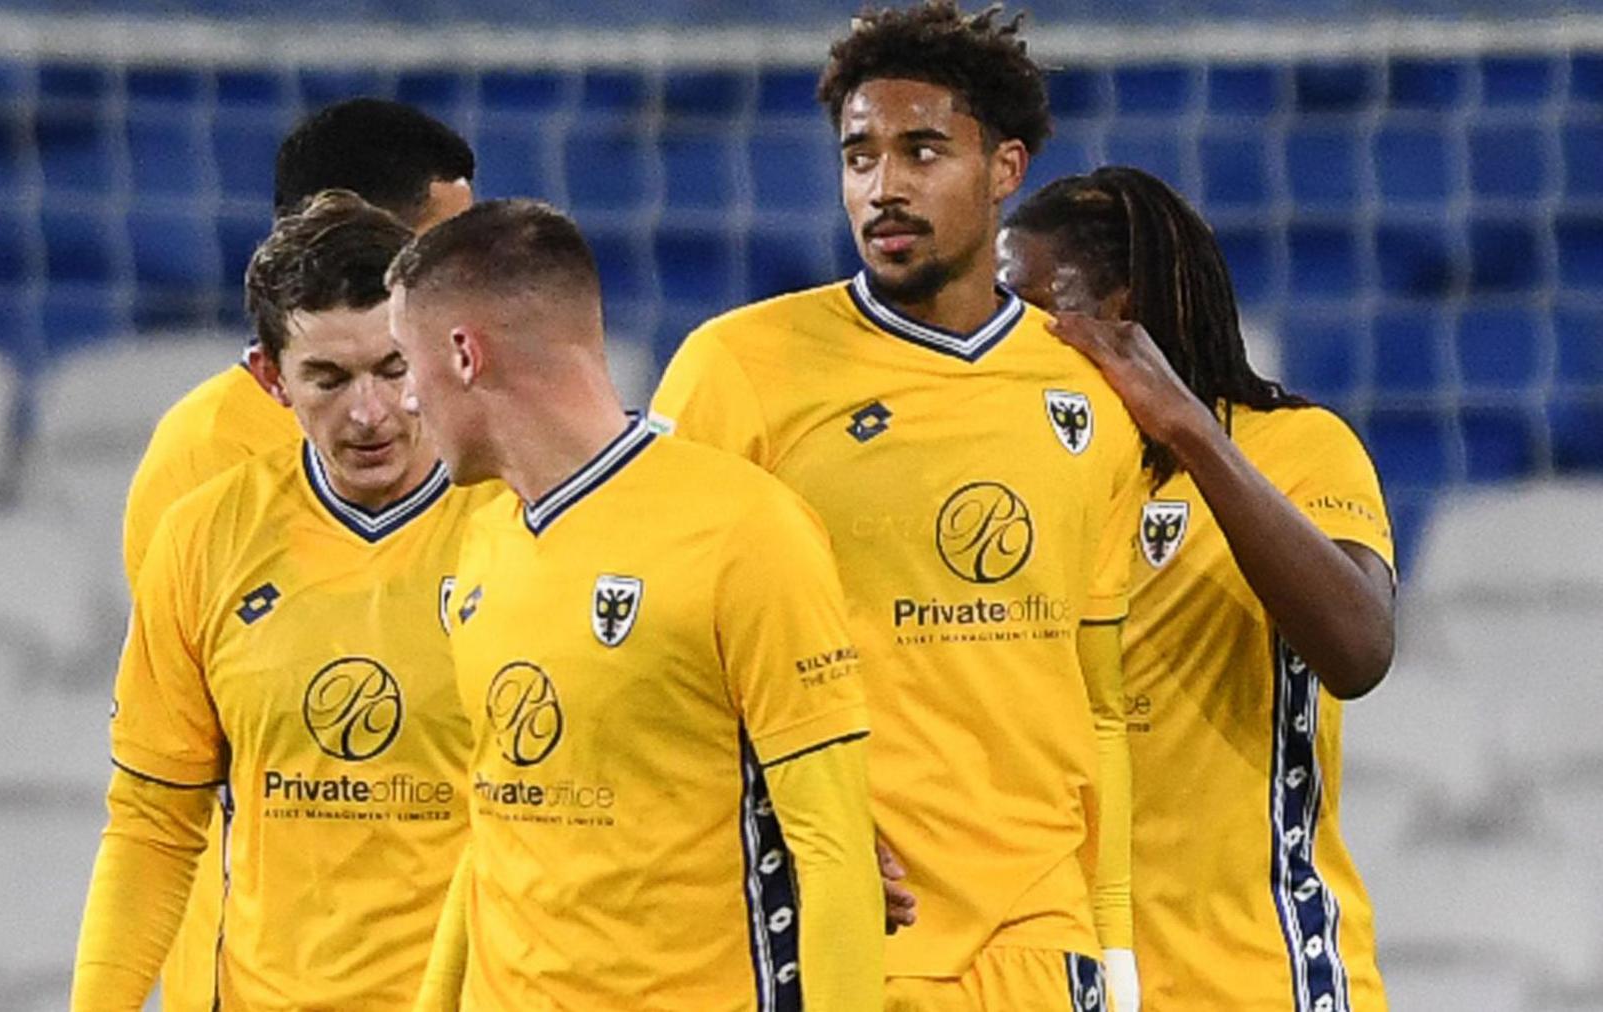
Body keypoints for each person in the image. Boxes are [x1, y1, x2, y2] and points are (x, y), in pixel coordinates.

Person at [649, 3, 1143, 1009]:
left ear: (1005, 169)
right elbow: (646, 648)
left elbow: (1095, 698)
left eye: (923, 151)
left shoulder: (1088, 389)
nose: (884, 186)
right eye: (860, 155)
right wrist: (778, 811)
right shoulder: (737, 370)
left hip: (1039, 940)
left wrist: (1116, 942)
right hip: (852, 930)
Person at [388, 198, 886, 1011]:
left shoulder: (743, 529)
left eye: (404, 364)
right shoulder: (481, 546)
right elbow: (495, 834)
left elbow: (833, 851)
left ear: (464, 353)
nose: (405, 400)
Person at [73, 191, 497, 1010]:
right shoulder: (207, 538)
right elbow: (152, 824)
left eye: (391, 369)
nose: (368, 412)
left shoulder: (516, 523)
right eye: (328, 379)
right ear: (271, 378)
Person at [998, 165, 1395, 1011]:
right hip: (1069, 982)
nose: (1002, 330)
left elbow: (1359, 650)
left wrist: (1186, 427)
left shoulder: (1291, 447)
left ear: (1122, 314)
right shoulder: (1027, 482)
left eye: (1028, 306)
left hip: (1261, 978)